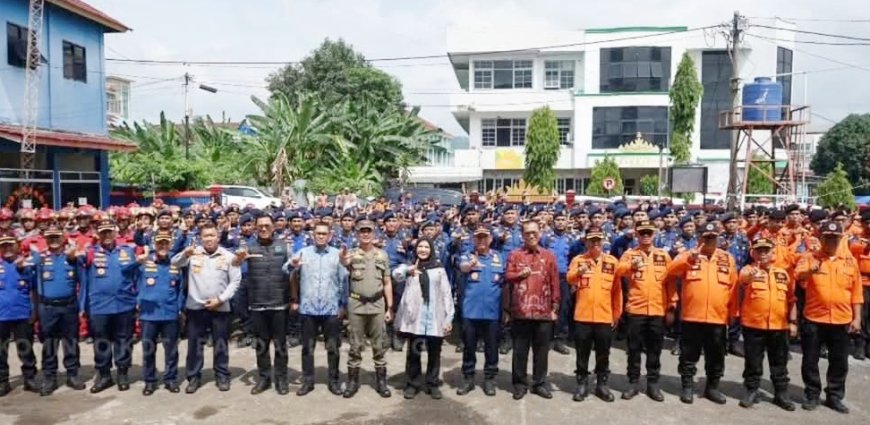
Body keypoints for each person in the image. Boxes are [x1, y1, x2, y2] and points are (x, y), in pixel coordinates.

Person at [794, 221, 863, 414]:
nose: (831, 241)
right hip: (814, 318)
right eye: (827, 237)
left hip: (841, 320)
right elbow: (799, 276)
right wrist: (810, 271)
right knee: (810, 360)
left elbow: (856, 293)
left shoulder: (850, 262)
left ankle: (834, 396)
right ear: (821, 238)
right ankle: (812, 394)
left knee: (839, 361)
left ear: (840, 239)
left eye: (835, 238)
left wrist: (857, 318)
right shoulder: (810, 257)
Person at [666, 222, 738, 405]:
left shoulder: (727, 258)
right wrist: (689, 258)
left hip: (718, 317)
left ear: (718, 238)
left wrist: (732, 313)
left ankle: (712, 388)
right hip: (692, 316)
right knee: (689, 354)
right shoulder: (689, 256)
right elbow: (671, 271)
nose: (710, 241)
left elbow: (734, 288)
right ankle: (687, 387)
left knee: (716, 356)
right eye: (706, 238)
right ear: (700, 238)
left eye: (713, 238)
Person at [172, 223, 241, 394]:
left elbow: (235, 281)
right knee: (194, 345)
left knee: (220, 344)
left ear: (218, 237)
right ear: (200, 238)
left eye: (212, 235)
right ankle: (194, 377)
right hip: (196, 307)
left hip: (220, 307)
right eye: (205, 236)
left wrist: (220, 299)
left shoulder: (228, 256)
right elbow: (174, 262)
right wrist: (184, 253)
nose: (209, 239)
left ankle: (222, 375)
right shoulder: (193, 254)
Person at [78, 218, 138, 393]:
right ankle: (104, 375)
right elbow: (82, 278)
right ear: (98, 234)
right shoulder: (90, 253)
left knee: (124, 340)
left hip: (124, 304)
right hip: (99, 306)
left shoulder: (127, 251)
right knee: (101, 341)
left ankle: (122, 373)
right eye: (103, 232)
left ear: (116, 233)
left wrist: (137, 299)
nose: (107, 236)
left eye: (110, 232)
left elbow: (136, 277)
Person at [234, 213, 292, 395]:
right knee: (261, 345)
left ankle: (281, 379)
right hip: (258, 304)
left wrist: (293, 298)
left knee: (280, 345)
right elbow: (235, 267)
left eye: (267, 225)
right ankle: (264, 378)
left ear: (274, 227)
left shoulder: (284, 247)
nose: (264, 228)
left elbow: (293, 273)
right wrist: (239, 259)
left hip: (280, 304)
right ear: (255, 228)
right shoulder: (248, 248)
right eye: (260, 226)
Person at [736, 238, 796, 411]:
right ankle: (751, 390)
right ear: (753, 253)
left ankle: (781, 394)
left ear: (772, 253)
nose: (763, 254)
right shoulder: (748, 270)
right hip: (754, 324)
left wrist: (792, 322)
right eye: (759, 251)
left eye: (766, 251)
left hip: (779, 325)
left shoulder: (783, 273)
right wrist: (751, 275)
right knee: (753, 361)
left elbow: (791, 299)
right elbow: (744, 280)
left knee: (779, 362)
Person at [287, 222, 346, 397]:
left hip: (331, 309)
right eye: (318, 233)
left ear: (330, 236)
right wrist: (293, 265)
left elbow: (344, 281)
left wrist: (343, 305)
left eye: (324, 234)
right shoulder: (303, 252)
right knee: (307, 348)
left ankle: (334, 381)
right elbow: (286, 269)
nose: (321, 236)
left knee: (333, 347)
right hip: (308, 309)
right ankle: (307, 382)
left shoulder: (337, 255)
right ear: (313, 235)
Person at [615, 220, 671, 402]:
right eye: (642, 233)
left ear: (654, 234)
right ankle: (633, 382)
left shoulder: (663, 255)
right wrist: (632, 266)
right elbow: (618, 271)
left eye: (649, 232)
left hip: (657, 309)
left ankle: (653, 383)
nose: (646, 235)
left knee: (655, 349)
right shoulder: (630, 254)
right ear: (637, 235)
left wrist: (672, 306)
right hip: (636, 310)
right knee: (634, 348)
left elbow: (670, 283)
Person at [504, 221, 560, 400]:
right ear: (522, 235)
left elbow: (555, 283)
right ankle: (519, 384)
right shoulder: (515, 255)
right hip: (521, 311)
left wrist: (555, 307)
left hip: (543, 311)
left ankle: (539, 383)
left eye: (534, 232)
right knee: (520, 350)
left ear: (540, 233)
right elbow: (508, 277)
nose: (531, 235)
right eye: (527, 233)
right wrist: (519, 275)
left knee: (541, 351)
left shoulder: (549, 256)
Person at [393, 239, 454, 400]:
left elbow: (446, 293)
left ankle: (432, 383)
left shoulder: (439, 269)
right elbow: (396, 276)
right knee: (414, 352)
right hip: (415, 319)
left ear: (432, 250)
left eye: (427, 247)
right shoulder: (409, 265)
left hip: (434, 317)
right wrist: (408, 270)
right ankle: (413, 384)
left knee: (434, 353)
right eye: (420, 246)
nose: (423, 250)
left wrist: (449, 318)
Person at [566, 227, 621, 403]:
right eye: (592, 241)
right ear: (587, 242)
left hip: (604, 316)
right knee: (582, 353)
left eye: (599, 240)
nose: (595, 244)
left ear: (603, 242)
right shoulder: (579, 260)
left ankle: (602, 384)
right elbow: (569, 279)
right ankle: (582, 383)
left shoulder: (612, 262)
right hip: (583, 316)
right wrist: (578, 272)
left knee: (603, 353)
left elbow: (617, 291)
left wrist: (616, 314)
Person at [341, 219, 393, 399]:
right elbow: (342, 264)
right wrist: (343, 259)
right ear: (357, 233)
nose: (365, 234)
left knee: (379, 345)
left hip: (377, 305)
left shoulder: (382, 255)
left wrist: (389, 307)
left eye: (368, 231)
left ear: (374, 233)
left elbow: (387, 282)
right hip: (356, 305)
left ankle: (381, 382)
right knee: (355, 345)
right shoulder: (352, 254)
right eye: (362, 231)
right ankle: (353, 382)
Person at [32, 224, 86, 396]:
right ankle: (50, 377)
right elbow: (33, 284)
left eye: (57, 237)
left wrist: (82, 306)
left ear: (64, 239)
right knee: (49, 343)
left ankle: (72, 374)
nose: (54, 241)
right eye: (51, 238)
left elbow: (83, 282)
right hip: (47, 307)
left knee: (71, 342)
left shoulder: (72, 258)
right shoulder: (40, 259)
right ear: (46, 240)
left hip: (69, 306)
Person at [456, 226, 504, 396]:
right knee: (469, 347)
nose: (481, 240)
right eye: (478, 238)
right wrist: (471, 265)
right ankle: (468, 378)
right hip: (471, 312)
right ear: (474, 240)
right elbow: (462, 268)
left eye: (485, 237)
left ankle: (490, 379)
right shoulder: (467, 256)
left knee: (492, 348)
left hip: (492, 312)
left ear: (490, 239)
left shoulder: (499, 257)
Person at [136, 231, 185, 396]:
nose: (163, 246)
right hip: (148, 315)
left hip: (170, 314)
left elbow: (181, 289)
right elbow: (132, 281)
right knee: (148, 350)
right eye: (160, 243)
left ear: (171, 244)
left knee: (171, 350)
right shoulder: (144, 262)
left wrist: (179, 308)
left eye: (166, 243)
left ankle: (170, 379)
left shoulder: (176, 263)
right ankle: (150, 381)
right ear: (154, 245)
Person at [0, 235, 38, 396]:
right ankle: (3, 381)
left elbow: (34, 290)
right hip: (1, 316)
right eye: (4, 246)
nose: (7, 249)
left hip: (22, 314)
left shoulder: (27, 265)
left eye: (11, 245)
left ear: (17, 246)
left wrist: (34, 311)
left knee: (26, 348)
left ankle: (29, 379)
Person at [848, 211, 870, 360]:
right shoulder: (857, 237)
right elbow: (853, 247)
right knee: (862, 315)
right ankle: (860, 345)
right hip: (862, 281)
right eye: (867, 222)